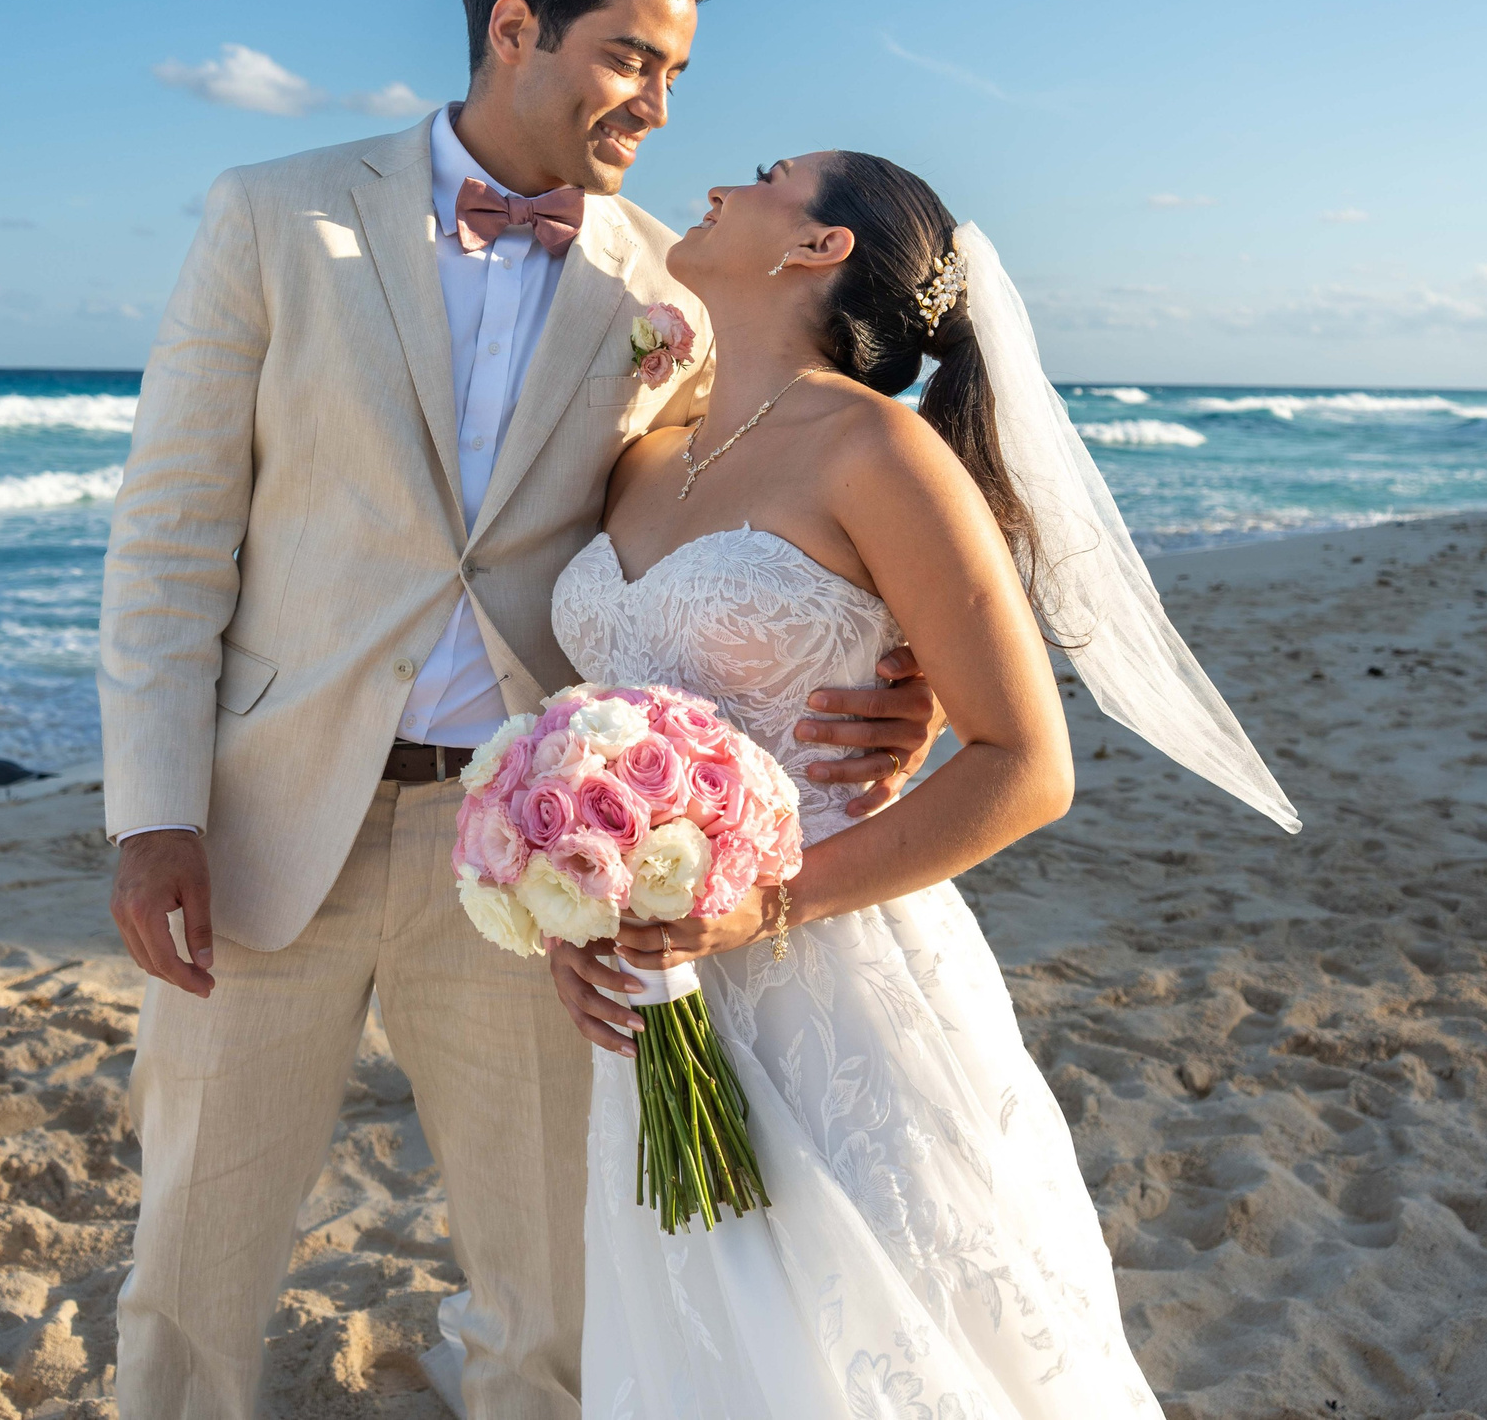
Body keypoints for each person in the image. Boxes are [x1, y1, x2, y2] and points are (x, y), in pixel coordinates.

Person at [96, 0, 943, 1419]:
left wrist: (907, 676)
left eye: (677, 70)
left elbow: (745, 505)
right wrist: (152, 812)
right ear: (512, 27)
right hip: (268, 824)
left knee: (551, 1302)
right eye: (635, 58)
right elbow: (169, 540)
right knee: (189, 1283)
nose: (663, 105)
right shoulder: (274, 215)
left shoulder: (669, 285)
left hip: (541, 853)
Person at [543, 152, 1299, 1416]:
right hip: (654, 978)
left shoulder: (876, 450)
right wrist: (571, 909)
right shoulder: (642, 450)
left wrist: (765, 905)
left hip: (832, 966)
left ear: (816, 249)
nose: (724, 180)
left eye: (771, 176)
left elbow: (1027, 765)